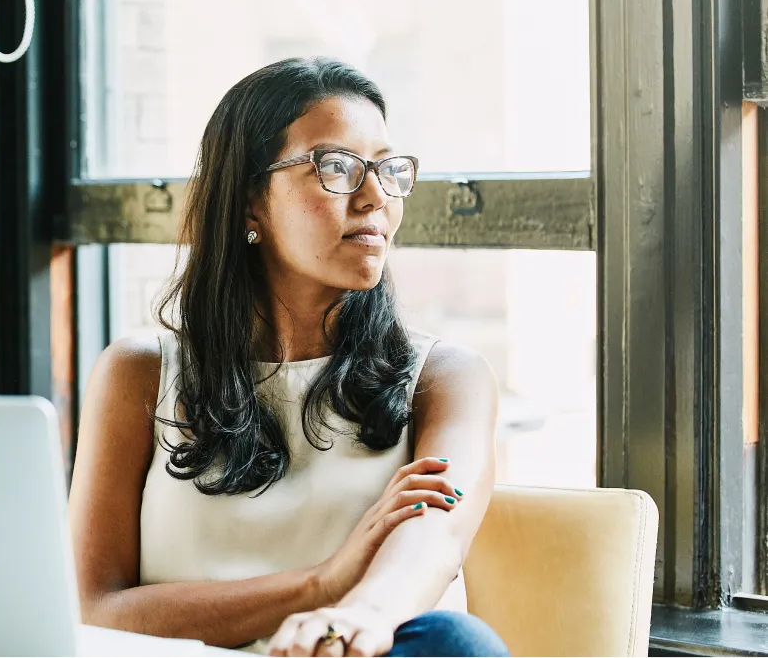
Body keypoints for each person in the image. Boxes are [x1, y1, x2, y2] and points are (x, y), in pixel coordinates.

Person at [68, 57, 510, 658]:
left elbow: (437, 535)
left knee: (453, 642)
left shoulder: (444, 377)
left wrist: (361, 613)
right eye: (336, 167)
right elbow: (93, 611)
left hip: (355, 651)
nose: (376, 196)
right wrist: (319, 585)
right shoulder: (139, 373)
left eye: (387, 169)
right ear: (252, 200)